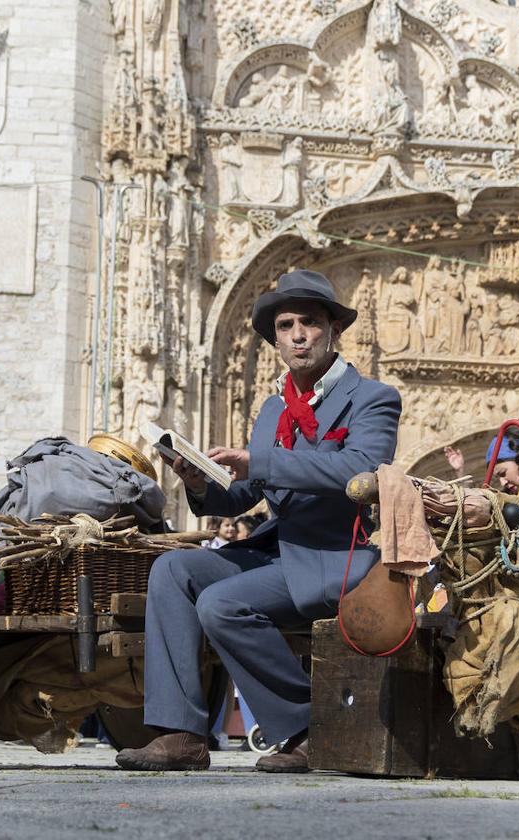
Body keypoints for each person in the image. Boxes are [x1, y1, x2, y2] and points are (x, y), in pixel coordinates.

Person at [116, 269, 401, 773]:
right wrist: (201, 481)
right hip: (275, 551)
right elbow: (245, 494)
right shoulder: (275, 407)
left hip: (334, 555)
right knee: (173, 571)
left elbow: (361, 468)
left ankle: (309, 729)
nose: (297, 334)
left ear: (332, 329)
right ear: (275, 339)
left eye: (309, 322)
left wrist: (260, 462)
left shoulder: (372, 398)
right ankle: (181, 733)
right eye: (286, 325)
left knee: (221, 603)